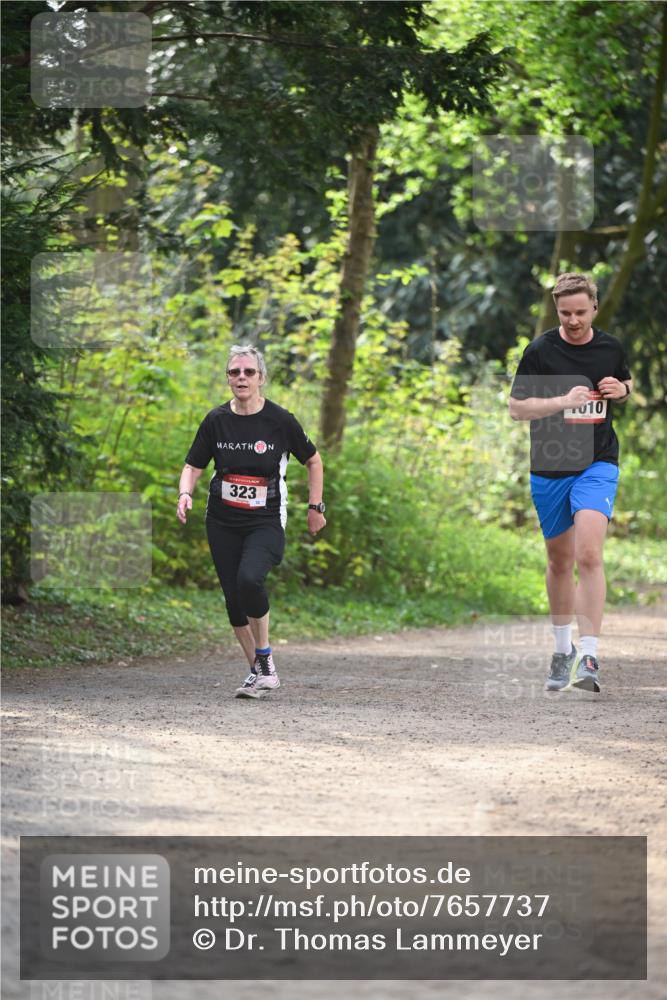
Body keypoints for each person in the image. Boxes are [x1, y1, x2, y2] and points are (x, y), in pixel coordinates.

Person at [177, 345, 326, 699]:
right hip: (222, 520)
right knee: (233, 598)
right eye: (234, 372)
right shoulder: (216, 420)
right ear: (228, 378)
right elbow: (193, 465)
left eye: (248, 372)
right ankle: (260, 673)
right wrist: (185, 493)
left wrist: (315, 506)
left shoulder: (280, 420)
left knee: (249, 579)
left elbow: (314, 461)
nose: (241, 378)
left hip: (265, 519)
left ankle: (264, 660)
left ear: (261, 378)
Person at [509, 273, 632, 693]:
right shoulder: (540, 351)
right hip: (550, 465)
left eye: (580, 312)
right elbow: (516, 408)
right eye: (565, 313)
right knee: (560, 561)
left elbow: (625, 381)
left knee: (589, 553)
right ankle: (563, 650)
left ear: (594, 307)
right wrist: (563, 401)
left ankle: (590, 656)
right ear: (557, 310)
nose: (574, 320)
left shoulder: (610, 347)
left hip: (597, 462)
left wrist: (622, 389)